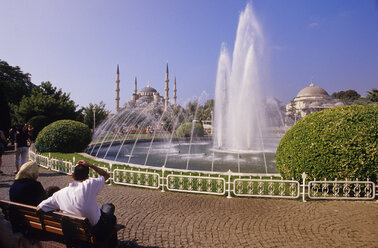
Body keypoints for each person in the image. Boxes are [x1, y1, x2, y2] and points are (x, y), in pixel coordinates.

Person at [37, 160, 118, 247]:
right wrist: (90, 165)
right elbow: (106, 175)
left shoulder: (59, 194)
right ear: (87, 177)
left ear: (72, 176)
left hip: (75, 232)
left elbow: (39, 207)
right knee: (110, 209)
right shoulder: (89, 184)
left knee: (106, 208)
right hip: (95, 230)